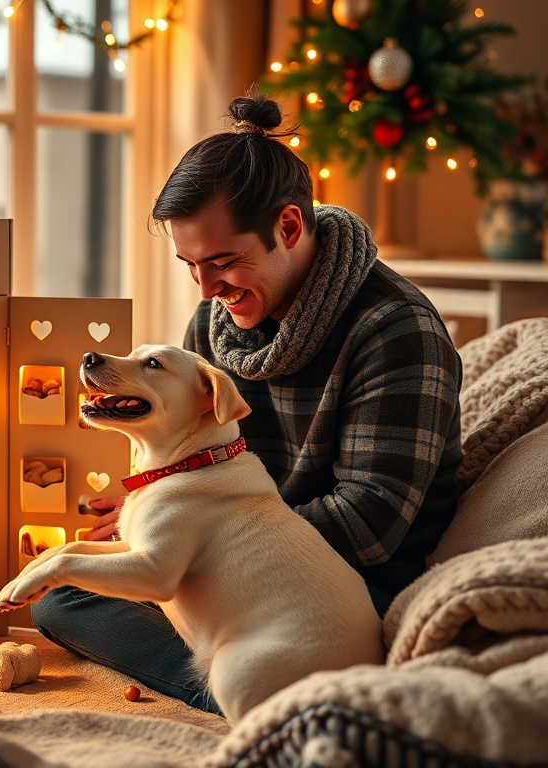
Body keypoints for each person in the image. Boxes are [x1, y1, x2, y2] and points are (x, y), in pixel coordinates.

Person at [30, 93, 463, 715]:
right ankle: (244, 679)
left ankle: (277, 698)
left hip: (340, 586)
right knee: (59, 594)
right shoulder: (214, 322)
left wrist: (188, 544)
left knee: (102, 582)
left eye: (224, 262)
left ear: (289, 227)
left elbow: (372, 521)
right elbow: (195, 457)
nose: (207, 290)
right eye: (191, 266)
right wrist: (149, 513)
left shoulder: (396, 330)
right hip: (232, 551)